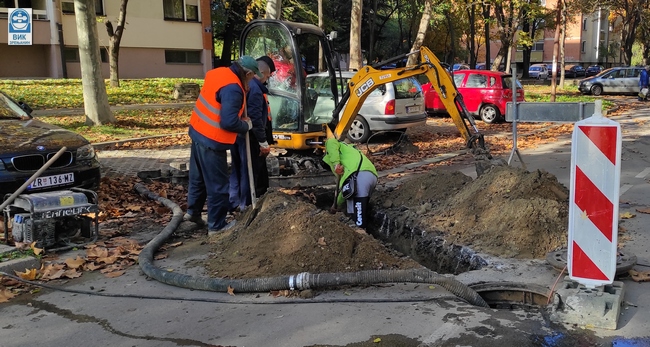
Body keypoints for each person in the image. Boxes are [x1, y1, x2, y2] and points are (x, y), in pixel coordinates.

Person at [184, 56, 263, 235]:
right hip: (212, 140)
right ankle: (217, 226)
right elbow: (228, 122)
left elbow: (217, 103)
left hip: (197, 131)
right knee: (218, 185)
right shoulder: (234, 88)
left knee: (198, 179)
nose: (251, 80)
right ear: (248, 73)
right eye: (252, 76)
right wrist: (246, 125)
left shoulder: (218, 73)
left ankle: (193, 213)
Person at [229, 57, 275, 210]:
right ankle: (246, 206)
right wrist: (263, 142)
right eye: (267, 76)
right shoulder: (255, 89)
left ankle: (234, 201)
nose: (267, 79)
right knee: (249, 172)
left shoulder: (247, 85)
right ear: (260, 72)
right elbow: (256, 119)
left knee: (238, 169)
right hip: (250, 138)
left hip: (238, 135)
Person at [322, 138, 378, 229]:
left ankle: (362, 238)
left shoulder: (333, 144)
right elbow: (344, 191)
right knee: (356, 209)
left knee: (358, 220)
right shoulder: (350, 152)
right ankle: (363, 232)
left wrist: (336, 163)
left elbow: (331, 142)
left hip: (359, 178)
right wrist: (337, 205)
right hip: (371, 176)